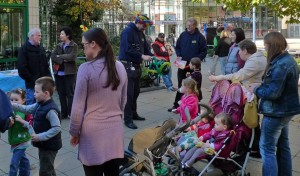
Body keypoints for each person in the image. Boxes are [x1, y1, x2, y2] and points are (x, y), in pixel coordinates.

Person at [69, 28, 127, 176]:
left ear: (93, 44)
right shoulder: (119, 67)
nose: (83, 48)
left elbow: (77, 107)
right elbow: (123, 100)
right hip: (115, 132)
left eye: (84, 45)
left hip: (93, 135)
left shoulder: (85, 69)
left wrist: (74, 132)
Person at [250, 32, 300, 176]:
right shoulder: (286, 60)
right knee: (283, 146)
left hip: (276, 112)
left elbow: (273, 93)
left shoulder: (281, 64)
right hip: (284, 111)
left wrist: (256, 88)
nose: (265, 49)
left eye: (265, 46)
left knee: (267, 149)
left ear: (272, 46)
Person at [12, 77, 62, 176]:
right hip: (44, 144)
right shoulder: (39, 104)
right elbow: (26, 109)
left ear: (46, 93)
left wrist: (40, 136)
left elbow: (57, 128)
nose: (34, 94)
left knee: (45, 171)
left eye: (37, 92)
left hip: (49, 146)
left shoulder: (51, 110)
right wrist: (10, 104)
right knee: (48, 168)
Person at [118, 14, 153, 129]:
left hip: (136, 66)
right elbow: (127, 49)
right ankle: (127, 119)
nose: (145, 28)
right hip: (127, 66)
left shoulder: (141, 33)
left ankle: (133, 113)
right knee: (129, 93)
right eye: (144, 25)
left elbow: (146, 48)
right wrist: (142, 56)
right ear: (138, 22)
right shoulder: (127, 32)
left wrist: (155, 56)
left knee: (136, 91)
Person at [168, 17, 207, 112]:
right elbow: (177, 47)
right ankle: (177, 105)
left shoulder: (200, 37)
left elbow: (204, 51)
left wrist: (196, 61)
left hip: (194, 67)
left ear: (195, 26)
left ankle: (195, 105)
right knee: (182, 85)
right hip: (183, 65)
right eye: (187, 25)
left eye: (190, 25)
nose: (188, 27)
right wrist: (179, 56)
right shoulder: (183, 35)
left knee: (195, 86)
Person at [17, 28, 51, 105]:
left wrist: (48, 77)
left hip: (43, 83)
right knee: (31, 104)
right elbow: (22, 68)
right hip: (32, 84)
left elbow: (45, 65)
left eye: (40, 36)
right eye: (38, 35)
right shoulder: (23, 49)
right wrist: (32, 79)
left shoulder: (40, 48)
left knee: (44, 104)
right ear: (32, 36)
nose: (40, 37)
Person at [51, 26, 78, 119]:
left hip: (69, 73)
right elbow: (53, 56)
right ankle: (63, 113)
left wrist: (60, 56)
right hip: (58, 73)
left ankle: (71, 113)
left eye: (62, 33)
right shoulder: (58, 45)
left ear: (68, 35)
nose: (60, 35)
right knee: (61, 94)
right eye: (60, 33)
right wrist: (62, 60)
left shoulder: (74, 45)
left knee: (70, 94)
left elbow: (72, 57)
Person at [7, 89, 31, 176]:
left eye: (16, 100)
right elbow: (6, 126)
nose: (13, 102)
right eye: (11, 100)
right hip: (14, 140)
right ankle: (25, 173)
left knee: (14, 163)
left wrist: (22, 121)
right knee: (24, 160)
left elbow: (30, 125)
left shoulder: (25, 111)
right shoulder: (9, 112)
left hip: (23, 141)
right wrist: (9, 124)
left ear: (23, 100)